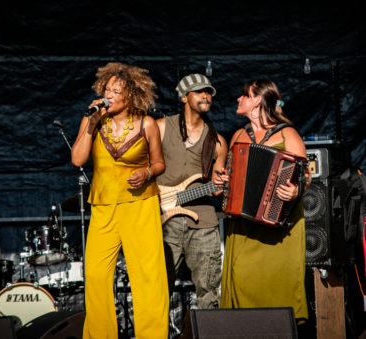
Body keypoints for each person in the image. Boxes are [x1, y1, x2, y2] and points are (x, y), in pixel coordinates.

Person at [72, 62, 169, 338]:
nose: (109, 95)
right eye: (107, 89)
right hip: (103, 207)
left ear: (132, 96)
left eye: (116, 91)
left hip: (140, 205)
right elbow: (77, 159)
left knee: (148, 277)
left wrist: (148, 172)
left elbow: (160, 163)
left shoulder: (146, 123)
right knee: (97, 276)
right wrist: (90, 122)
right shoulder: (92, 121)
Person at [214, 80, 310, 323]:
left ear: (257, 100)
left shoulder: (287, 134)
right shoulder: (238, 135)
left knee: (276, 286)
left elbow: (305, 175)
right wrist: (224, 181)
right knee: (243, 278)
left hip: (278, 229)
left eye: (243, 95)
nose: (238, 99)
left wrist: (294, 191)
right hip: (244, 226)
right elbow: (231, 174)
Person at [156, 73, 227, 309]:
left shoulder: (217, 141)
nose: (206, 95)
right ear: (184, 97)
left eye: (208, 92)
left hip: (203, 223)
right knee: (158, 288)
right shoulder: (161, 127)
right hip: (165, 221)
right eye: (199, 91)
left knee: (208, 291)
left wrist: (224, 184)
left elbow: (217, 189)